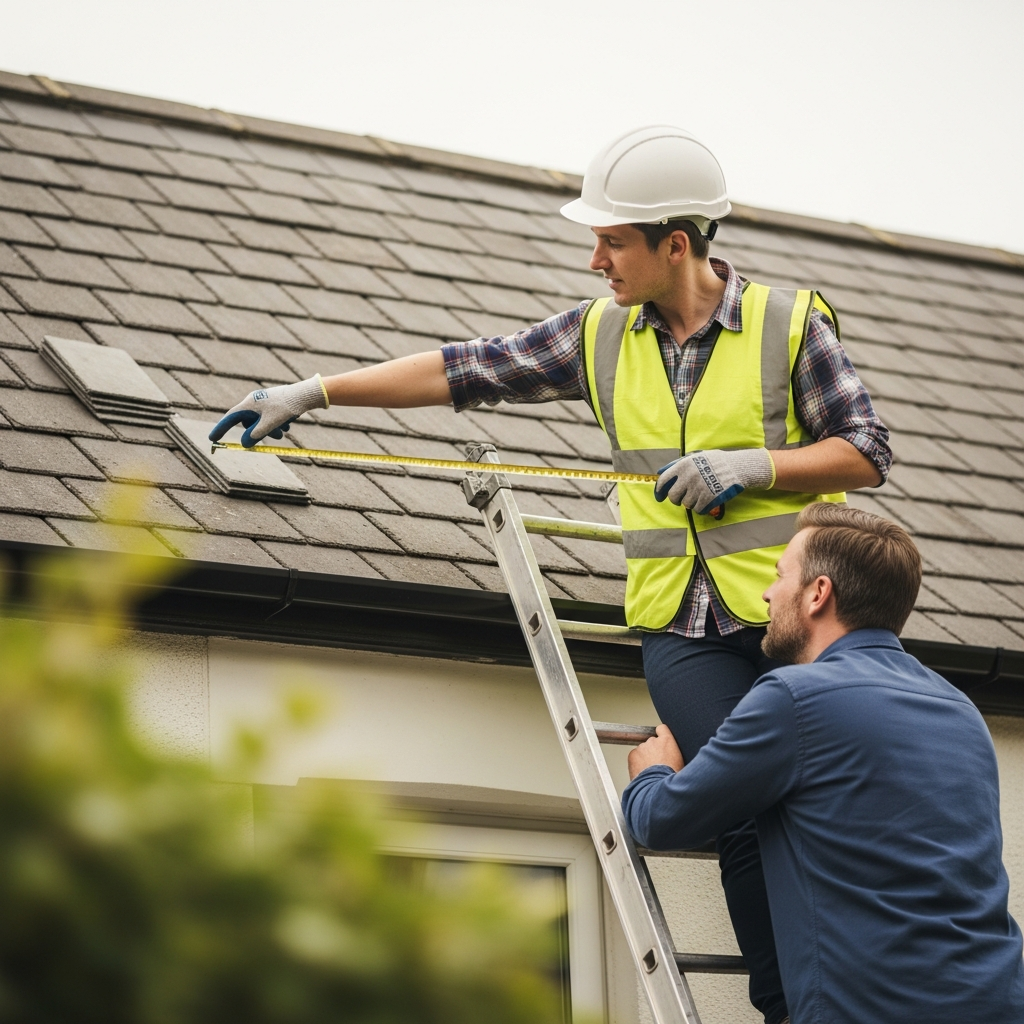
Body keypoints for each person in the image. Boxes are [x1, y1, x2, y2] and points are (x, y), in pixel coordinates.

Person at [209, 126, 891, 1024]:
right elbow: (467, 371)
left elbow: (867, 453)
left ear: (674, 243)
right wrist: (318, 390)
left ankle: (856, 990)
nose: (595, 257)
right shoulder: (596, 335)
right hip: (682, 632)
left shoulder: (788, 324)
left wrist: (755, 466)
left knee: (830, 804)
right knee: (743, 806)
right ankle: (787, 1005)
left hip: (795, 621)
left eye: (612, 241)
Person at [623, 503, 1024, 1023]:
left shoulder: (794, 698)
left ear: (818, 593)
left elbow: (663, 819)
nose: (767, 594)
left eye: (779, 575)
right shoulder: (959, 707)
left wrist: (653, 772)